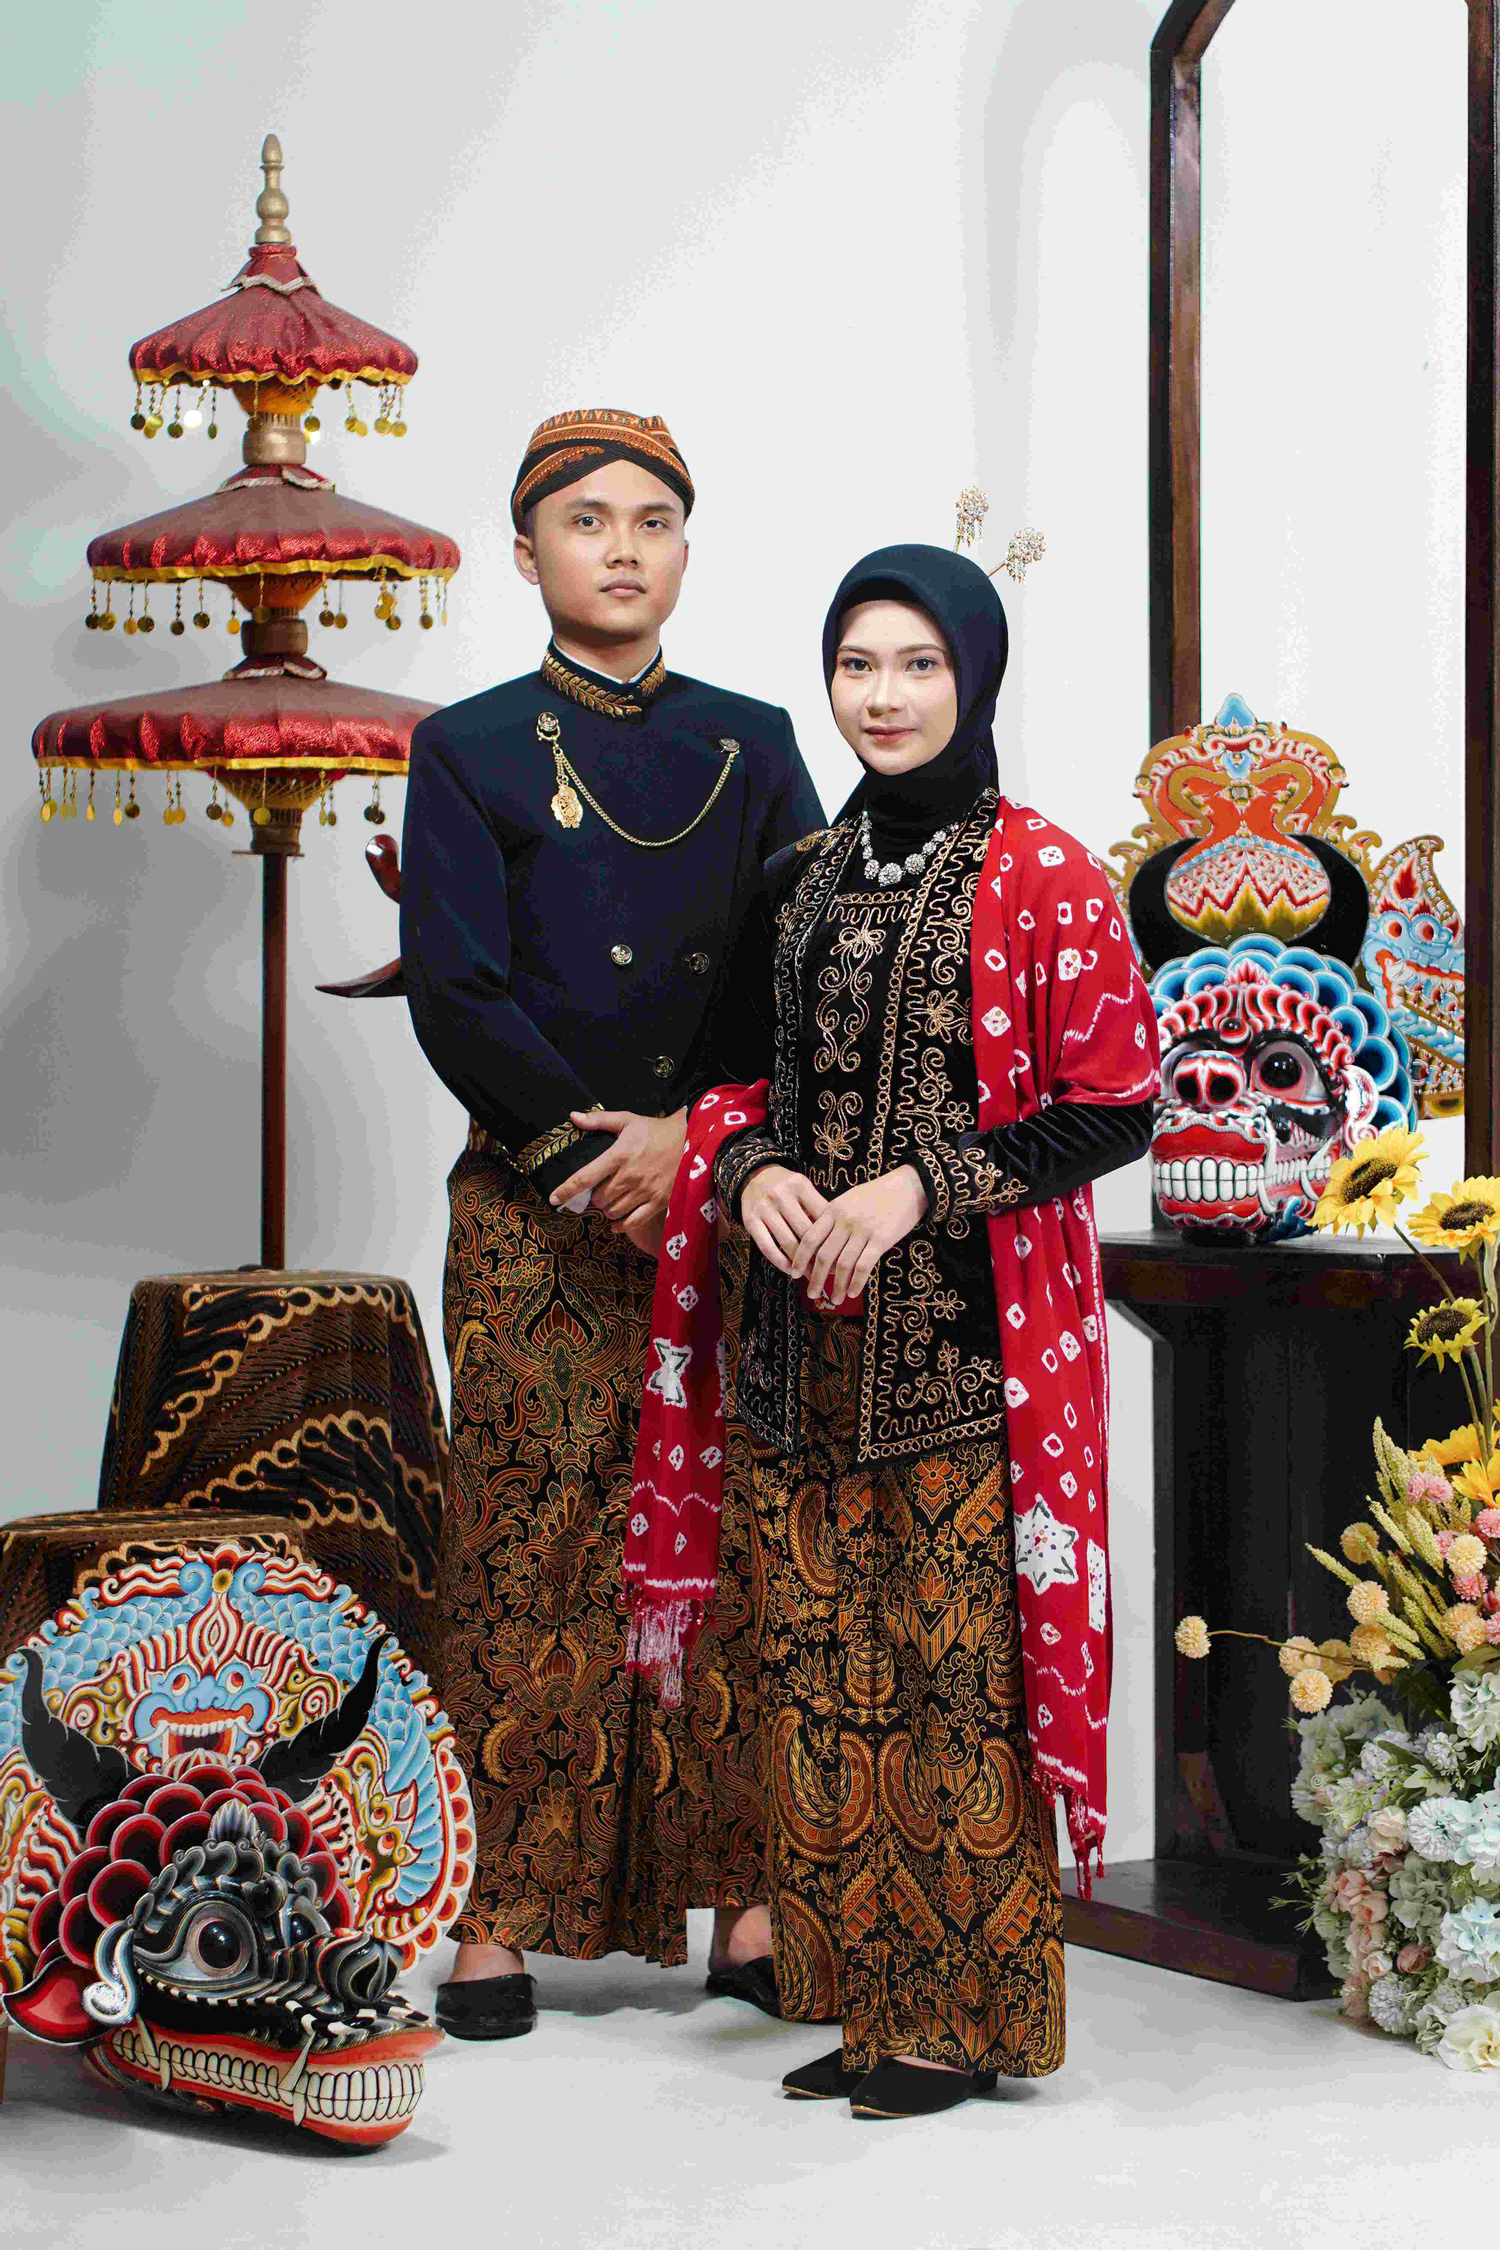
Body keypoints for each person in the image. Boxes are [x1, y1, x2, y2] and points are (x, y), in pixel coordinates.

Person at [624, 543, 1160, 2116]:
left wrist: (924, 1184)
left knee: (951, 1678)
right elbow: (731, 1087)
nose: (884, 694)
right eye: (857, 663)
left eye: (918, 663)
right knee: (818, 1671)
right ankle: (864, 1995)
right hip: (800, 1353)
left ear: (973, 676)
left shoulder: (1044, 872)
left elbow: (1116, 1103)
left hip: (967, 1358)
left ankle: (960, 2015)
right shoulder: (797, 877)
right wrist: (753, 1173)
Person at [399, 408, 824, 2042]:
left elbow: (804, 973)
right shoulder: (469, 747)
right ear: (528, 555)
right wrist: (600, 1156)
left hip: (726, 1199)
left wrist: (697, 1149)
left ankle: (748, 1900)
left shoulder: (752, 742)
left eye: (654, 518)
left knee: (729, 1535)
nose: (624, 546)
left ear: (685, 549)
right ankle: (494, 1910)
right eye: (588, 519)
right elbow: (456, 986)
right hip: (541, 1206)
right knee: (528, 1536)